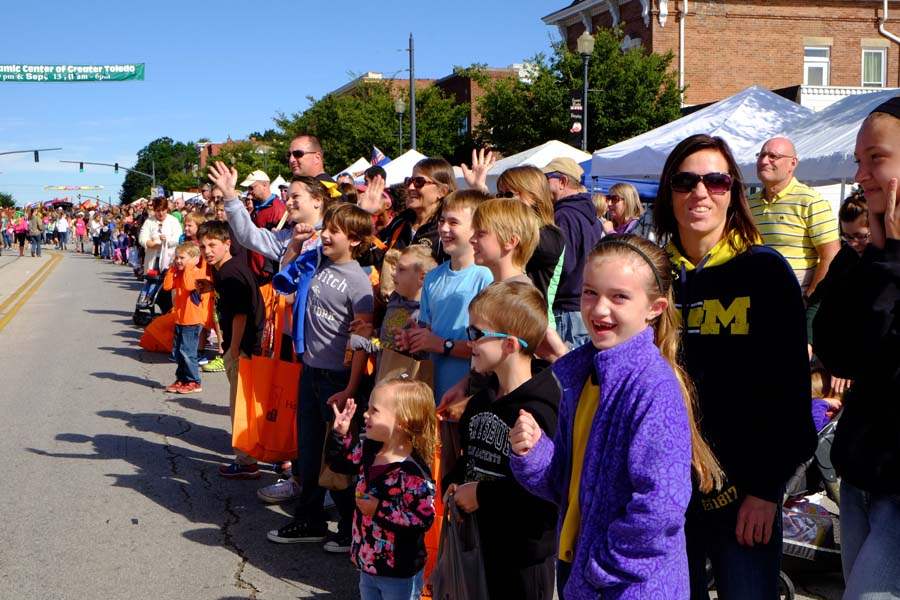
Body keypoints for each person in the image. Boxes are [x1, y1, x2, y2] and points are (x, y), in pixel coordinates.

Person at [509, 234, 722, 599]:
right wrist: (534, 453)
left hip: (628, 588)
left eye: (619, 297)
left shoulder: (652, 387)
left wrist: (600, 568)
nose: (599, 310)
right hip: (585, 576)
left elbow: (661, 507)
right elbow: (568, 484)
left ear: (654, 308)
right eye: (590, 293)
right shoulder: (584, 376)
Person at [653, 134, 816, 599]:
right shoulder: (655, 275)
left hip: (746, 494)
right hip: (668, 491)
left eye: (715, 180)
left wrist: (766, 491)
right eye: (685, 181)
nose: (700, 192)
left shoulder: (764, 272)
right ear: (669, 191)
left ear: (732, 192)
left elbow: (787, 390)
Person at [813, 97, 900, 598]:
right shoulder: (866, 255)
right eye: (857, 160)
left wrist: (892, 260)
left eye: (875, 158)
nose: (861, 174)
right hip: (862, 477)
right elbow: (839, 350)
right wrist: (873, 257)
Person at [268, 203, 375, 553]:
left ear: (355, 239)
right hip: (311, 371)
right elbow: (283, 279)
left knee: (338, 457)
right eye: (327, 227)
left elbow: (361, 342)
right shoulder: (319, 261)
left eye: (336, 230)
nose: (326, 234)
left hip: (337, 379)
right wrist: (297, 245)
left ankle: (349, 527)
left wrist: (350, 388)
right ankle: (310, 519)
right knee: (311, 452)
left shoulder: (358, 282)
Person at [445, 282, 560, 600]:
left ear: (509, 345)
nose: (470, 344)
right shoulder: (481, 401)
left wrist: (482, 494)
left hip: (523, 558)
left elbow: (543, 495)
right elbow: (469, 461)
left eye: (476, 334)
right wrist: (454, 483)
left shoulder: (542, 410)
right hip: (479, 545)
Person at [329, 378, 437, 600]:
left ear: (401, 422)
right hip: (367, 563)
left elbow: (422, 519)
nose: (366, 415)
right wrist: (341, 435)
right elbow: (342, 463)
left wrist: (379, 509)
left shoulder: (414, 473)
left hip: (398, 571)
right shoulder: (371, 450)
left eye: (374, 410)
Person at [199, 221, 265, 479]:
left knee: (240, 406)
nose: (207, 251)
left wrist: (234, 349)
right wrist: (211, 287)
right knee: (247, 403)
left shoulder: (229, 273)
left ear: (227, 243)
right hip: (247, 345)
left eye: (213, 245)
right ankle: (262, 454)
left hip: (244, 346)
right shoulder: (226, 270)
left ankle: (246, 460)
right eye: (204, 246)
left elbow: (240, 314)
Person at [749, 137, 840, 296]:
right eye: (761, 155)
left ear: (793, 163)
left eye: (773, 156)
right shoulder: (748, 204)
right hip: (754, 302)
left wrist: (811, 296)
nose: (764, 161)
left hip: (795, 303)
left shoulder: (810, 201)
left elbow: (831, 255)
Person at [541, 157, 603, 348]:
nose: (541, 184)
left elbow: (562, 265)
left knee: (565, 373)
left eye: (546, 178)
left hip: (566, 310)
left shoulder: (563, 215)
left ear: (562, 182)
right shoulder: (591, 216)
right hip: (581, 306)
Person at [495, 166, 566, 322]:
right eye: (499, 194)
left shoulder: (551, 235)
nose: (501, 201)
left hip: (536, 326)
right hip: (504, 317)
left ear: (534, 196)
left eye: (508, 194)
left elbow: (523, 243)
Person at [376, 158, 456, 263]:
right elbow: (369, 256)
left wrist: (480, 189)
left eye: (419, 182)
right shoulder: (401, 222)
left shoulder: (445, 230)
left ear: (442, 191)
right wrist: (365, 213)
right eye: (409, 181)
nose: (410, 187)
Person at [162, 242, 212, 394]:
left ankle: (193, 381)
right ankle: (182, 378)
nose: (178, 261)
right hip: (180, 319)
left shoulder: (198, 274)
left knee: (188, 352)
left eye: (182, 258)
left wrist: (189, 267)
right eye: (176, 258)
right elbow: (167, 286)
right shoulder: (180, 273)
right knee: (178, 352)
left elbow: (190, 286)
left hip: (192, 321)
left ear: (195, 259)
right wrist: (172, 269)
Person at [239, 170, 286, 285]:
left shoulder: (278, 209)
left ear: (265, 185)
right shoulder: (257, 207)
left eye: (252, 187)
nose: (249, 192)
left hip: (266, 274)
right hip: (254, 268)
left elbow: (280, 245)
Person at [138, 197, 182, 277]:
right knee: (151, 285)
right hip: (153, 259)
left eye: (163, 210)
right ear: (154, 210)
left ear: (166, 209)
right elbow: (142, 238)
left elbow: (178, 238)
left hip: (169, 260)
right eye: (158, 211)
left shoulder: (174, 221)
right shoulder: (149, 221)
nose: (161, 213)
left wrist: (166, 241)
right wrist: (154, 245)